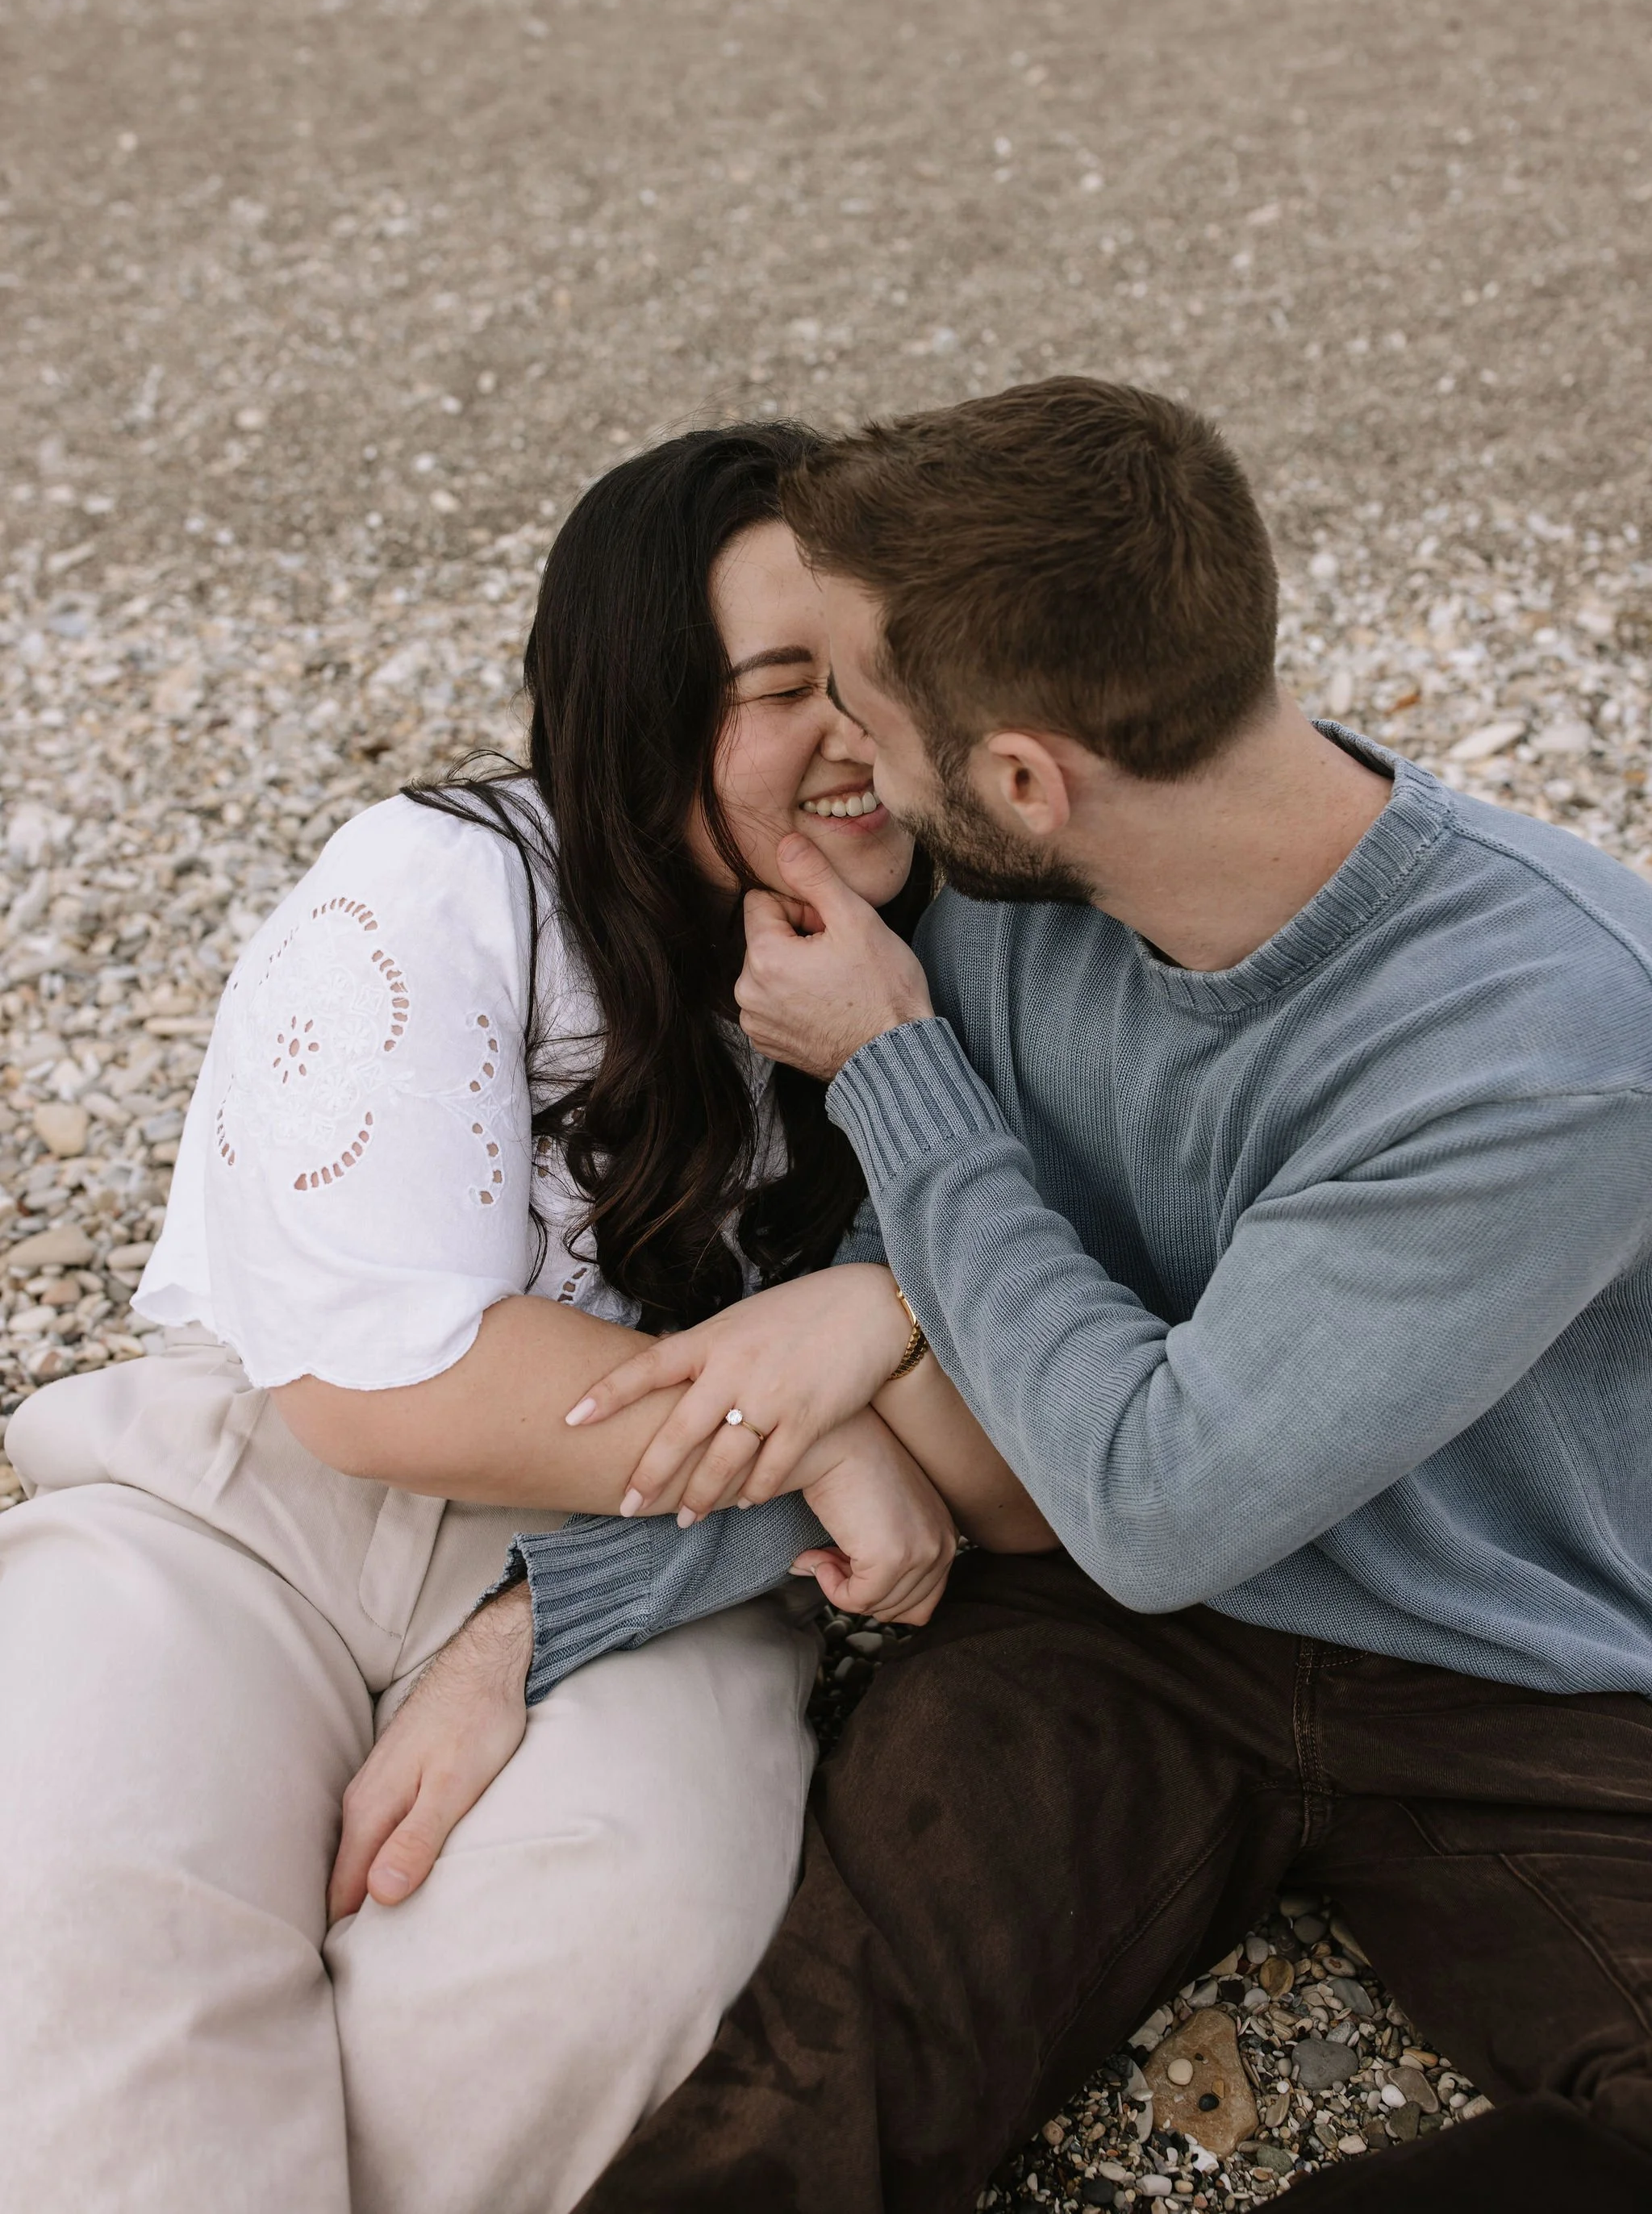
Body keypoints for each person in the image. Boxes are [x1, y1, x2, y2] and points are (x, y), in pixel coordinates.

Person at [393, 379, 1652, 2213]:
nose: (845, 760)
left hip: (1523, 1676)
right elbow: (924, 1300)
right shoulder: (994, 894)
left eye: (868, 712)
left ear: (1020, 776)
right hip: (1093, 1641)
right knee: (801, 2107)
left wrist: (898, 1079)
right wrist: (539, 1616)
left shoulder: (1544, 1048)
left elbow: (1157, 1490)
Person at [0, 421, 1048, 2214]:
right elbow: (379, 1375)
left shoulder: (979, 949)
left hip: (665, 1570)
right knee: (90, 1941)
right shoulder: (443, 879)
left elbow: (1041, 1440)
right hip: (245, 1517)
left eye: (874, 676)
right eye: (781, 687)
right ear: (639, 713)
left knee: (581, 1989)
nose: (858, 741)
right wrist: (843, 1418)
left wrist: (880, 1222)